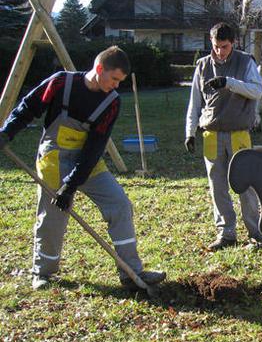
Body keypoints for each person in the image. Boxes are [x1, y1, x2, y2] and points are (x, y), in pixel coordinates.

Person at [0, 46, 166, 290]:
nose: (116, 85)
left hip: (87, 161)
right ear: (100, 69)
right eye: (114, 79)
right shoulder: (60, 83)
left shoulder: (112, 102)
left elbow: (95, 146)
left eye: (120, 81)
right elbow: (28, 108)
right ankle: (43, 273)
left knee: (119, 203)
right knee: (53, 215)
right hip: (54, 157)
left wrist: (71, 184)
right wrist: (6, 133)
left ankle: (131, 271)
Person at [184, 22, 262, 251]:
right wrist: (190, 132)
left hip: (239, 133)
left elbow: (257, 90)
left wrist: (229, 83)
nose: (220, 51)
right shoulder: (202, 65)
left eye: (224, 46)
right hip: (211, 133)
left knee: (246, 185)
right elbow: (194, 103)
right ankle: (226, 233)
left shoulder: (245, 62)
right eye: (216, 46)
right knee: (217, 186)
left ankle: (256, 231)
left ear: (233, 43)